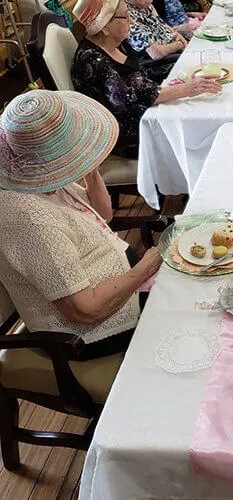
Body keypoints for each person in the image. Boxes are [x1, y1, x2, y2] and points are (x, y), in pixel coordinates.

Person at [0, 89, 162, 359]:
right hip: (89, 333)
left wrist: (87, 165)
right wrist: (144, 269)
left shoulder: (39, 172)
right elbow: (85, 311)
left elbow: (103, 214)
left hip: (120, 286)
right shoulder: (29, 216)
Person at [72, 0, 221, 158]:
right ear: (104, 26)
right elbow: (131, 97)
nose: (132, 22)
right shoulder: (93, 60)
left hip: (146, 115)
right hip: (130, 134)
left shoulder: (111, 43)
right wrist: (188, 88)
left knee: (206, 110)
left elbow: (139, 81)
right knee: (205, 130)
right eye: (125, 17)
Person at [108, 0, 186, 70]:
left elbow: (165, 27)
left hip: (174, 53)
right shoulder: (126, 17)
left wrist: (179, 39)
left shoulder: (145, 5)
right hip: (159, 66)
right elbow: (156, 53)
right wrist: (178, 45)